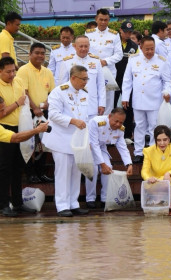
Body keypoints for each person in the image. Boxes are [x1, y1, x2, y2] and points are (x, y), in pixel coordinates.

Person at [42, 65, 90, 217]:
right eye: (84, 79)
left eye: (87, 79)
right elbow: (54, 115)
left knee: (76, 172)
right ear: (73, 78)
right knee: (63, 172)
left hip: (77, 140)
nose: (86, 82)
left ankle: (73, 203)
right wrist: (73, 121)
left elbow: (86, 115)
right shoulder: (59, 92)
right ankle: (62, 205)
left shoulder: (84, 93)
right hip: (60, 139)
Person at [121, 36, 171, 163]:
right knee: (139, 126)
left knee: (154, 127)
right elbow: (127, 80)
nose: (150, 51)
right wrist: (125, 97)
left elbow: (167, 81)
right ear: (141, 47)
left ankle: (152, 151)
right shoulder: (133, 60)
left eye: (152, 49)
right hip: (138, 100)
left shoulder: (161, 61)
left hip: (155, 100)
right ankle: (138, 152)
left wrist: (167, 92)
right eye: (147, 49)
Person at [0, 57, 37, 217]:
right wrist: (17, 103)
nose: (12, 74)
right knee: (4, 169)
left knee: (18, 168)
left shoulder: (18, 82)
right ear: (0, 71)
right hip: (4, 130)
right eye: (8, 72)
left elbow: (25, 104)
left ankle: (18, 203)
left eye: (13, 70)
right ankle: (3, 205)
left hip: (20, 128)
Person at [16, 42, 55, 184]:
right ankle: (30, 173)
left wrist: (47, 103)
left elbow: (52, 92)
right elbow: (24, 92)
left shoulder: (47, 71)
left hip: (44, 113)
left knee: (44, 144)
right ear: (30, 54)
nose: (40, 56)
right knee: (29, 143)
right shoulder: (23, 70)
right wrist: (35, 108)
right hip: (29, 113)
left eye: (42, 53)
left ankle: (41, 172)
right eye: (37, 53)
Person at [86, 108, 133, 209]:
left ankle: (104, 198)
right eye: (116, 121)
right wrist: (102, 164)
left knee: (109, 168)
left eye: (121, 122)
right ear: (109, 116)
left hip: (102, 147)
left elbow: (122, 147)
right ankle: (90, 199)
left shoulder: (120, 129)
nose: (118, 124)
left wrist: (129, 164)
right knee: (92, 169)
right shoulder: (96, 122)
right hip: (89, 147)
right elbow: (94, 144)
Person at [85, 8, 123, 115]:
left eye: (106, 20)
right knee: (91, 97)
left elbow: (119, 54)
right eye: (101, 19)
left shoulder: (114, 35)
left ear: (109, 20)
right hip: (92, 71)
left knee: (108, 101)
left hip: (108, 73)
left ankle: (105, 126)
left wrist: (105, 61)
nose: (103, 22)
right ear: (96, 19)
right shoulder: (88, 34)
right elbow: (85, 50)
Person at [59, 36, 106, 120]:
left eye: (86, 46)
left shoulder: (96, 61)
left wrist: (102, 104)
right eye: (81, 46)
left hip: (91, 105)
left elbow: (101, 84)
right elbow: (62, 85)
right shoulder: (67, 61)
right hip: (73, 105)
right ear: (75, 46)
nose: (83, 49)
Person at [141, 125, 171, 209]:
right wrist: (148, 178)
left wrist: (168, 174)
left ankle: (163, 201)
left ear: (169, 139)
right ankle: (163, 201)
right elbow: (144, 171)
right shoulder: (148, 151)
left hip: (168, 178)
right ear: (155, 140)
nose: (162, 143)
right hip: (155, 181)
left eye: (165, 140)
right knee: (164, 184)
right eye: (159, 140)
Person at [115, 21, 139, 144]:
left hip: (128, 82)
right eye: (126, 32)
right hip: (114, 80)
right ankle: (111, 134)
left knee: (128, 108)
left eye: (130, 32)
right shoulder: (114, 43)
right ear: (120, 30)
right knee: (112, 107)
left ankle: (127, 134)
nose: (128, 34)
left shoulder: (134, 47)